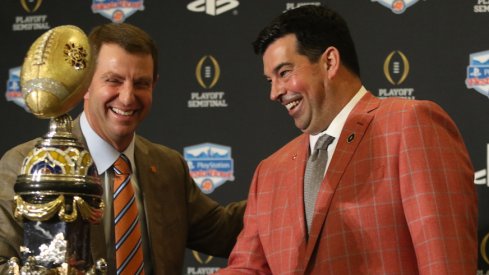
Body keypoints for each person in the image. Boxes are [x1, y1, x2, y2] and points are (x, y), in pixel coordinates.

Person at [216, 5, 477, 274]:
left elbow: (445, 261)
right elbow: (248, 267)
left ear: (329, 62)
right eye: (269, 80)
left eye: (284, 73)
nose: (275, 92)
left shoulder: (409, 125)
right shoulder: (269, 172)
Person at [0, 23, 245, 274]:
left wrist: (284, 174)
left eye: (141, 83)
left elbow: (224, 231)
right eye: (113, 81)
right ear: (85, 84)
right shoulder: (27, 163)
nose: (127, 97)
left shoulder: (168, 167)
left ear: (154, 85)